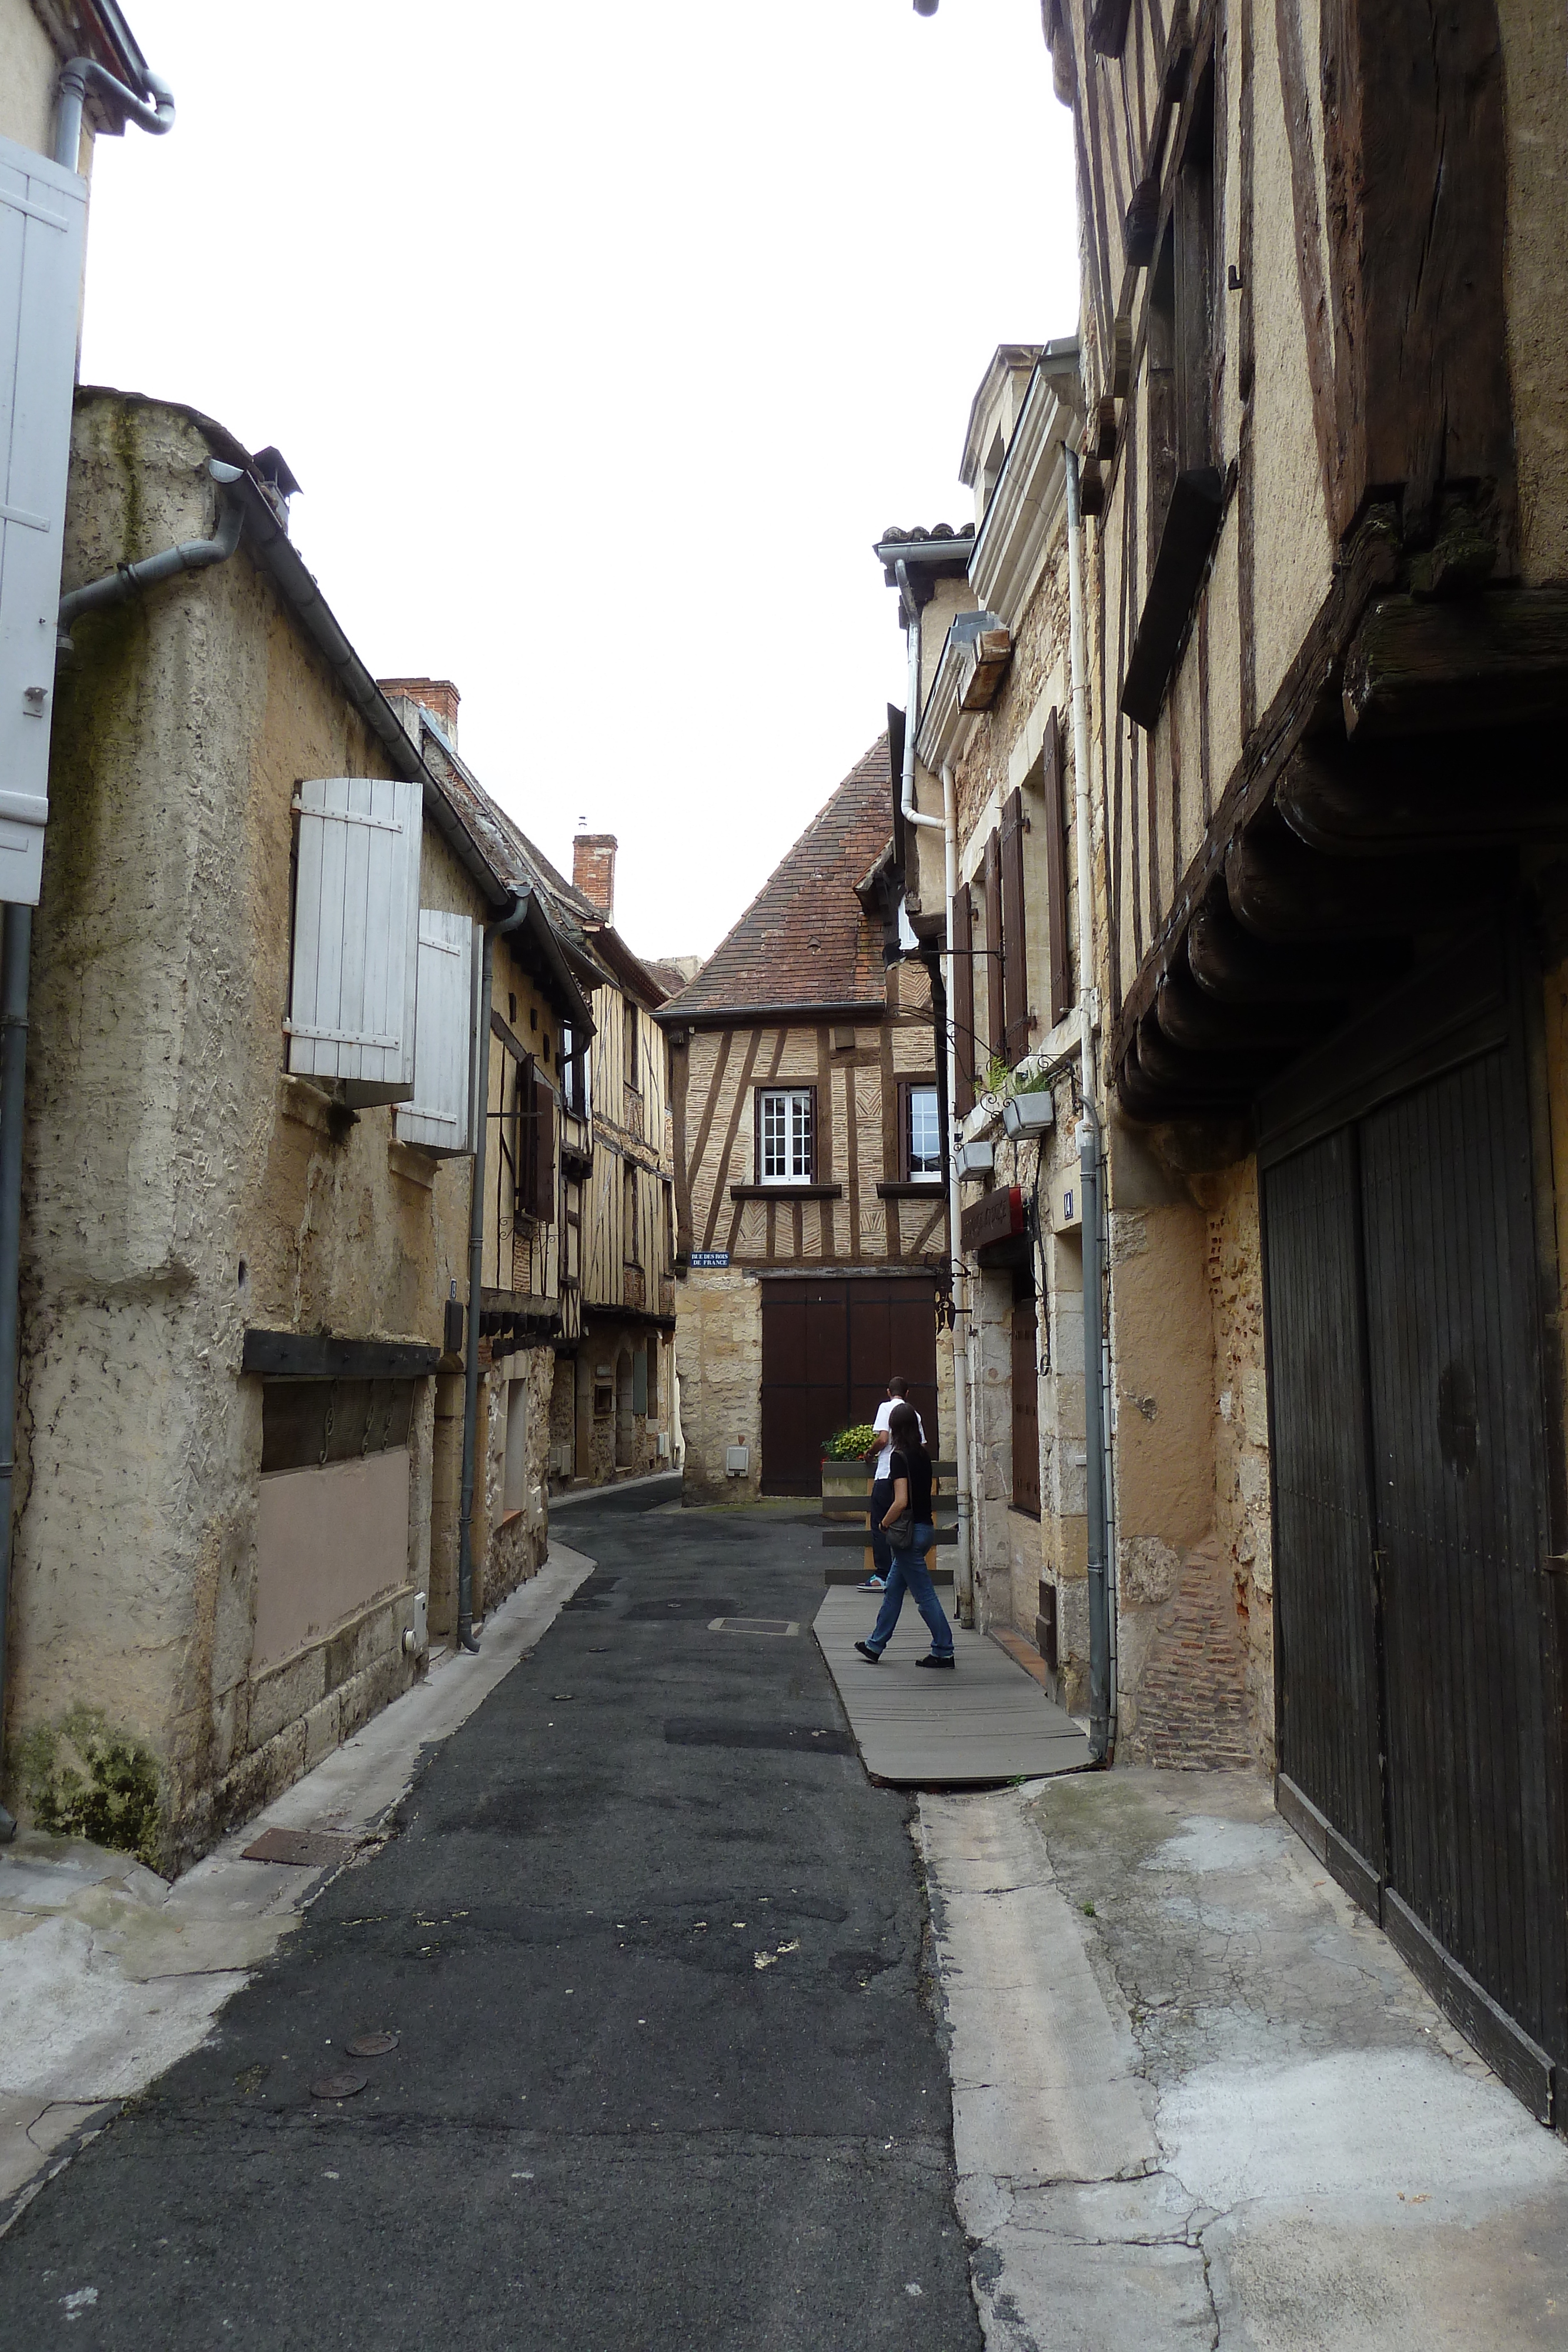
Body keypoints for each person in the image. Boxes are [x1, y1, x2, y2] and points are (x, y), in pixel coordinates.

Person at [855, 1401, 954, 1668]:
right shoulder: (923, 1456)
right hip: (925, 1529)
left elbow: (900, 1501)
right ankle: (875, 1645)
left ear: (894, 1429)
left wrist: (884, 1524)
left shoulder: (899, 1458)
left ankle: (944, 1649)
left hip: (907, 1535)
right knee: (894, 1590)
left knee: (925, 1597)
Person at [860, 1378, 926, 1592]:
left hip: (886, 1472)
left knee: (880, 1523)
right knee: (905, 1521)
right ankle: (904, 1572)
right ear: (907, 1393)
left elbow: (883, 1439)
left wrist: (870, 1453)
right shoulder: (913, 1413)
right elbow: (922, 1445)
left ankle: (883, 1574)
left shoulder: (885, 1408)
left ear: (889, 1392)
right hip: (907, 1477)